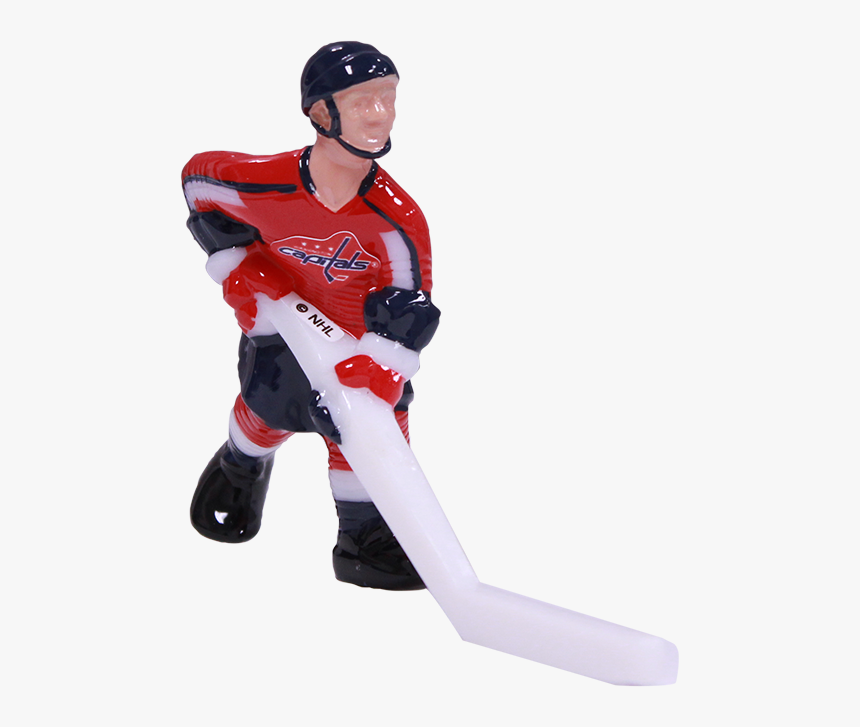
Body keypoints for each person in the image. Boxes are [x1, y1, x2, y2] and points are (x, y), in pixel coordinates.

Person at [181, 42, 440, 591]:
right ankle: (239, 467)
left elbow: (409, 303)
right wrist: (237, 262)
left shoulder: (397, 219)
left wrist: (380, 365)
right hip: (282, 332)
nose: (381, 114)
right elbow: (197, 182)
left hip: (355, 350)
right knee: (266, 410)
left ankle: (364, 540)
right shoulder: (262, 182)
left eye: (389, 98)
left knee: (367, 439)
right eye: (363, 101)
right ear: (322, 113)